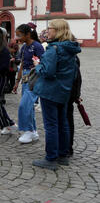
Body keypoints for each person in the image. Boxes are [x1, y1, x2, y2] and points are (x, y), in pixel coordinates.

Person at [32, 19, 81, 171]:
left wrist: (38, 65)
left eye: (50, 28)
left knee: (51, 125)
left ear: (57, 30)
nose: (48, 31)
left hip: (50, 91)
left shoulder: (54, 49)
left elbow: (48, 72)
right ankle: (63, 155)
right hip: (64, 90)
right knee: (63, 123)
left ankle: (51, 158)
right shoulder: (70, 49)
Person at [13, 24, 44, 144]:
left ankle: (28, 130)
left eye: (19, 35)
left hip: (34, 76)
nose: (17, 37)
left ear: (28, 34)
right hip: (25, 78)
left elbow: (42, 63)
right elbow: (21, 64)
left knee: (24, 105)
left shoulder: (37, 46)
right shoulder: (24, 47)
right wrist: (17, 81)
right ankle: (33, 131)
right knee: (28, 106)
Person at [67, 55, 81, 156]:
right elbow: (78, 78)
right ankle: (68, 147)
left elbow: (77, 78)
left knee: (66, 120)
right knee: (68, 120)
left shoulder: (69, 56)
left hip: (66, 93)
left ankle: (67, 148)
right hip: (70, 93)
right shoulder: (74, 56)